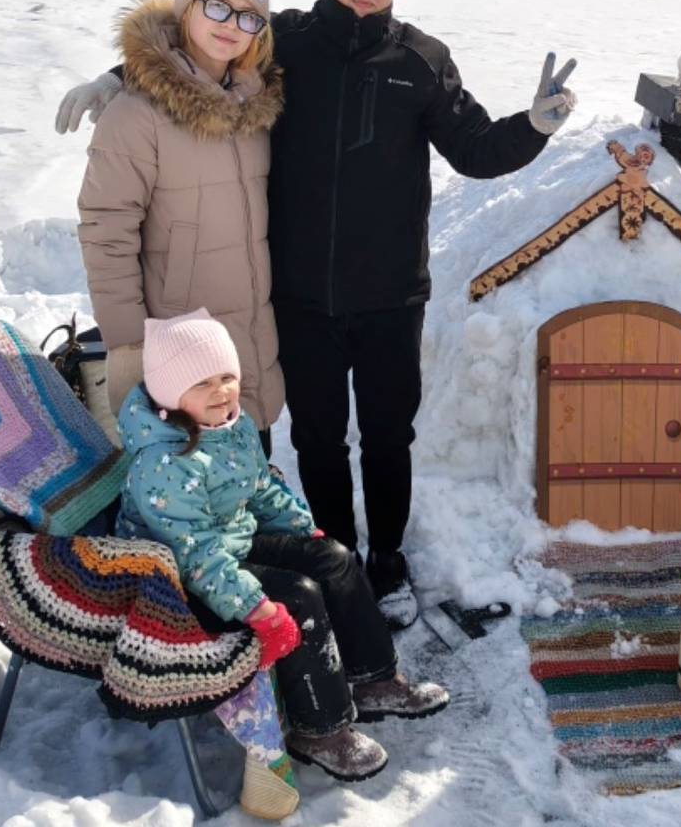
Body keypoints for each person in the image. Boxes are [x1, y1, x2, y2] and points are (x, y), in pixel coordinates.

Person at [59, 0, 578, 628]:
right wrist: (121, 77)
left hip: (392, 294)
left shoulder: (421, 61)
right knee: (318, 439)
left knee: (390, 436)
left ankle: (388, 560)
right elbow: (204, 57)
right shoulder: (285, 44)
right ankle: (335, 559)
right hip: (298, 297)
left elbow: (475, 150)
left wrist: (536, 126)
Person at [117, 310, 450, 795]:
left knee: (333, 558)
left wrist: (303, 532)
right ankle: (321, 728)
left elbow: (261, 493)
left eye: (227, 376)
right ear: (169, 393)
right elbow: (196, 555)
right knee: (297, 595)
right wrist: (255, 607)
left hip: (231, 541)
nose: (222, 391)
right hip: (183, 577)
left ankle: (375, 679)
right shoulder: (164, 463)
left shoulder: (232, 426)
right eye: (203, 382)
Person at [76, 0, 286, 442]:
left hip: (246, 350)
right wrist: (131, 348)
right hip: (175, 352)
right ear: (185, 7)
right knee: (179, 504)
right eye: (216, 6)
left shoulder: (257, 103)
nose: (230, 26)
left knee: (242, 487)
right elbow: (106, 232)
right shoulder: (136, 114)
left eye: (248, 15)